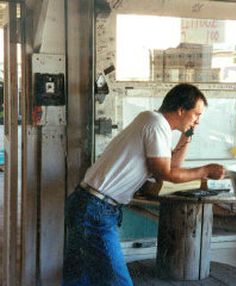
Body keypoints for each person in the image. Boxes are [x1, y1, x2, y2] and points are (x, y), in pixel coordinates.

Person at [62, 83, 225, 286]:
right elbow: (164, 175)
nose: (198, 121)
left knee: (79, 280)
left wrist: (187, 134)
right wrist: (205, 171)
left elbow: (172, 165)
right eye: (196, 115)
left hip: (88, 204)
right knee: (118, 282)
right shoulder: (156, 124)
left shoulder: (153, 121)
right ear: (181, 110)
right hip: (96, 211)